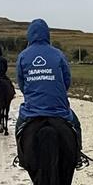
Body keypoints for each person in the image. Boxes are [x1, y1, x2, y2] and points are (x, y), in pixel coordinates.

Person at [16, 18, 81, 152]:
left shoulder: (23, 56)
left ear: (29, 35)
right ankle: (78, 154)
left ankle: (21, 157)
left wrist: (31, 93)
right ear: (47, 34)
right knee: (76, 125)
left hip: (32, 110)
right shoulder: (58, 54)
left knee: (19, 127)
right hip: (59, 109)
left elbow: (21, 83)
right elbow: (66, 80)